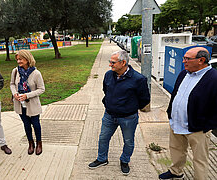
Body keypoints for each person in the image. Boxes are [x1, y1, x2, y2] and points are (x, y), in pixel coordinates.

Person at [88, 50, 150, 176]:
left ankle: (125, 160)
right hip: (109, 115)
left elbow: (144, 99)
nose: (110, 65)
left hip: (128, 118)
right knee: (103, 138)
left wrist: (130, 108)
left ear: (123, 63)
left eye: (113, 62)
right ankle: (102, 159)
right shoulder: (108, 75)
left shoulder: (139, 79)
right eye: (110, 62)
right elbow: (106, 90)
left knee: (128, 141)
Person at [159, 47, 217, 180]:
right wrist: (171, 113)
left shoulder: (214, 78)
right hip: (177, 122)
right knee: (176, 150)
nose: (183, 61)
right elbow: (176, 95)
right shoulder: (184, 73)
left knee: (200, 159)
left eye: (187, 59)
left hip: (198, 128)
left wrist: (207, 124)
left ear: (201, 60)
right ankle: (176, 172)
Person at [10, 50, 45, 155]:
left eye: (20, 59)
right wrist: (15, 93)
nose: (18, 61)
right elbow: (12, 84)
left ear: (27, 59)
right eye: (17, 59)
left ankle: (39, 143)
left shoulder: (36, 73)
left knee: (36, 124)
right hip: (20, 104)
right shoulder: (15, 71)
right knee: (26, 124)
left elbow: (41, 89)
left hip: (32, 104)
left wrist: (27, 95)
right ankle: (31, 143)